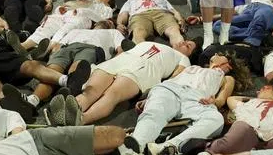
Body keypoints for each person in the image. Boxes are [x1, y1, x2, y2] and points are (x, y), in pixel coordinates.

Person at [120, 53, 241, 155]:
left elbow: (221, 99)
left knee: (216, 119)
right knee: (156, 111)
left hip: (197, 100)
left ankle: (165, 148)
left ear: (229, 65)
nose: (216, 54)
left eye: (220, 54)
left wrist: (213, 101)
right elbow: (172, 79)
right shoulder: (192, 67)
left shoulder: (227, 78)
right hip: (170, 89)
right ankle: (135, 147)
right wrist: (149, 99)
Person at [62, 40, 197, 126]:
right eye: (185, 41)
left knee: (112, 94)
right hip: (125, 58)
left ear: (190, 53)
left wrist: (155, 93)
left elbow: (175, 77)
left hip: (146, 69)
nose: (183, 43)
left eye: (188, 46)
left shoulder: (183, 58)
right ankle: (65, 113)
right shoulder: (151, 42)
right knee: (92, 89)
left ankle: (81, 119)